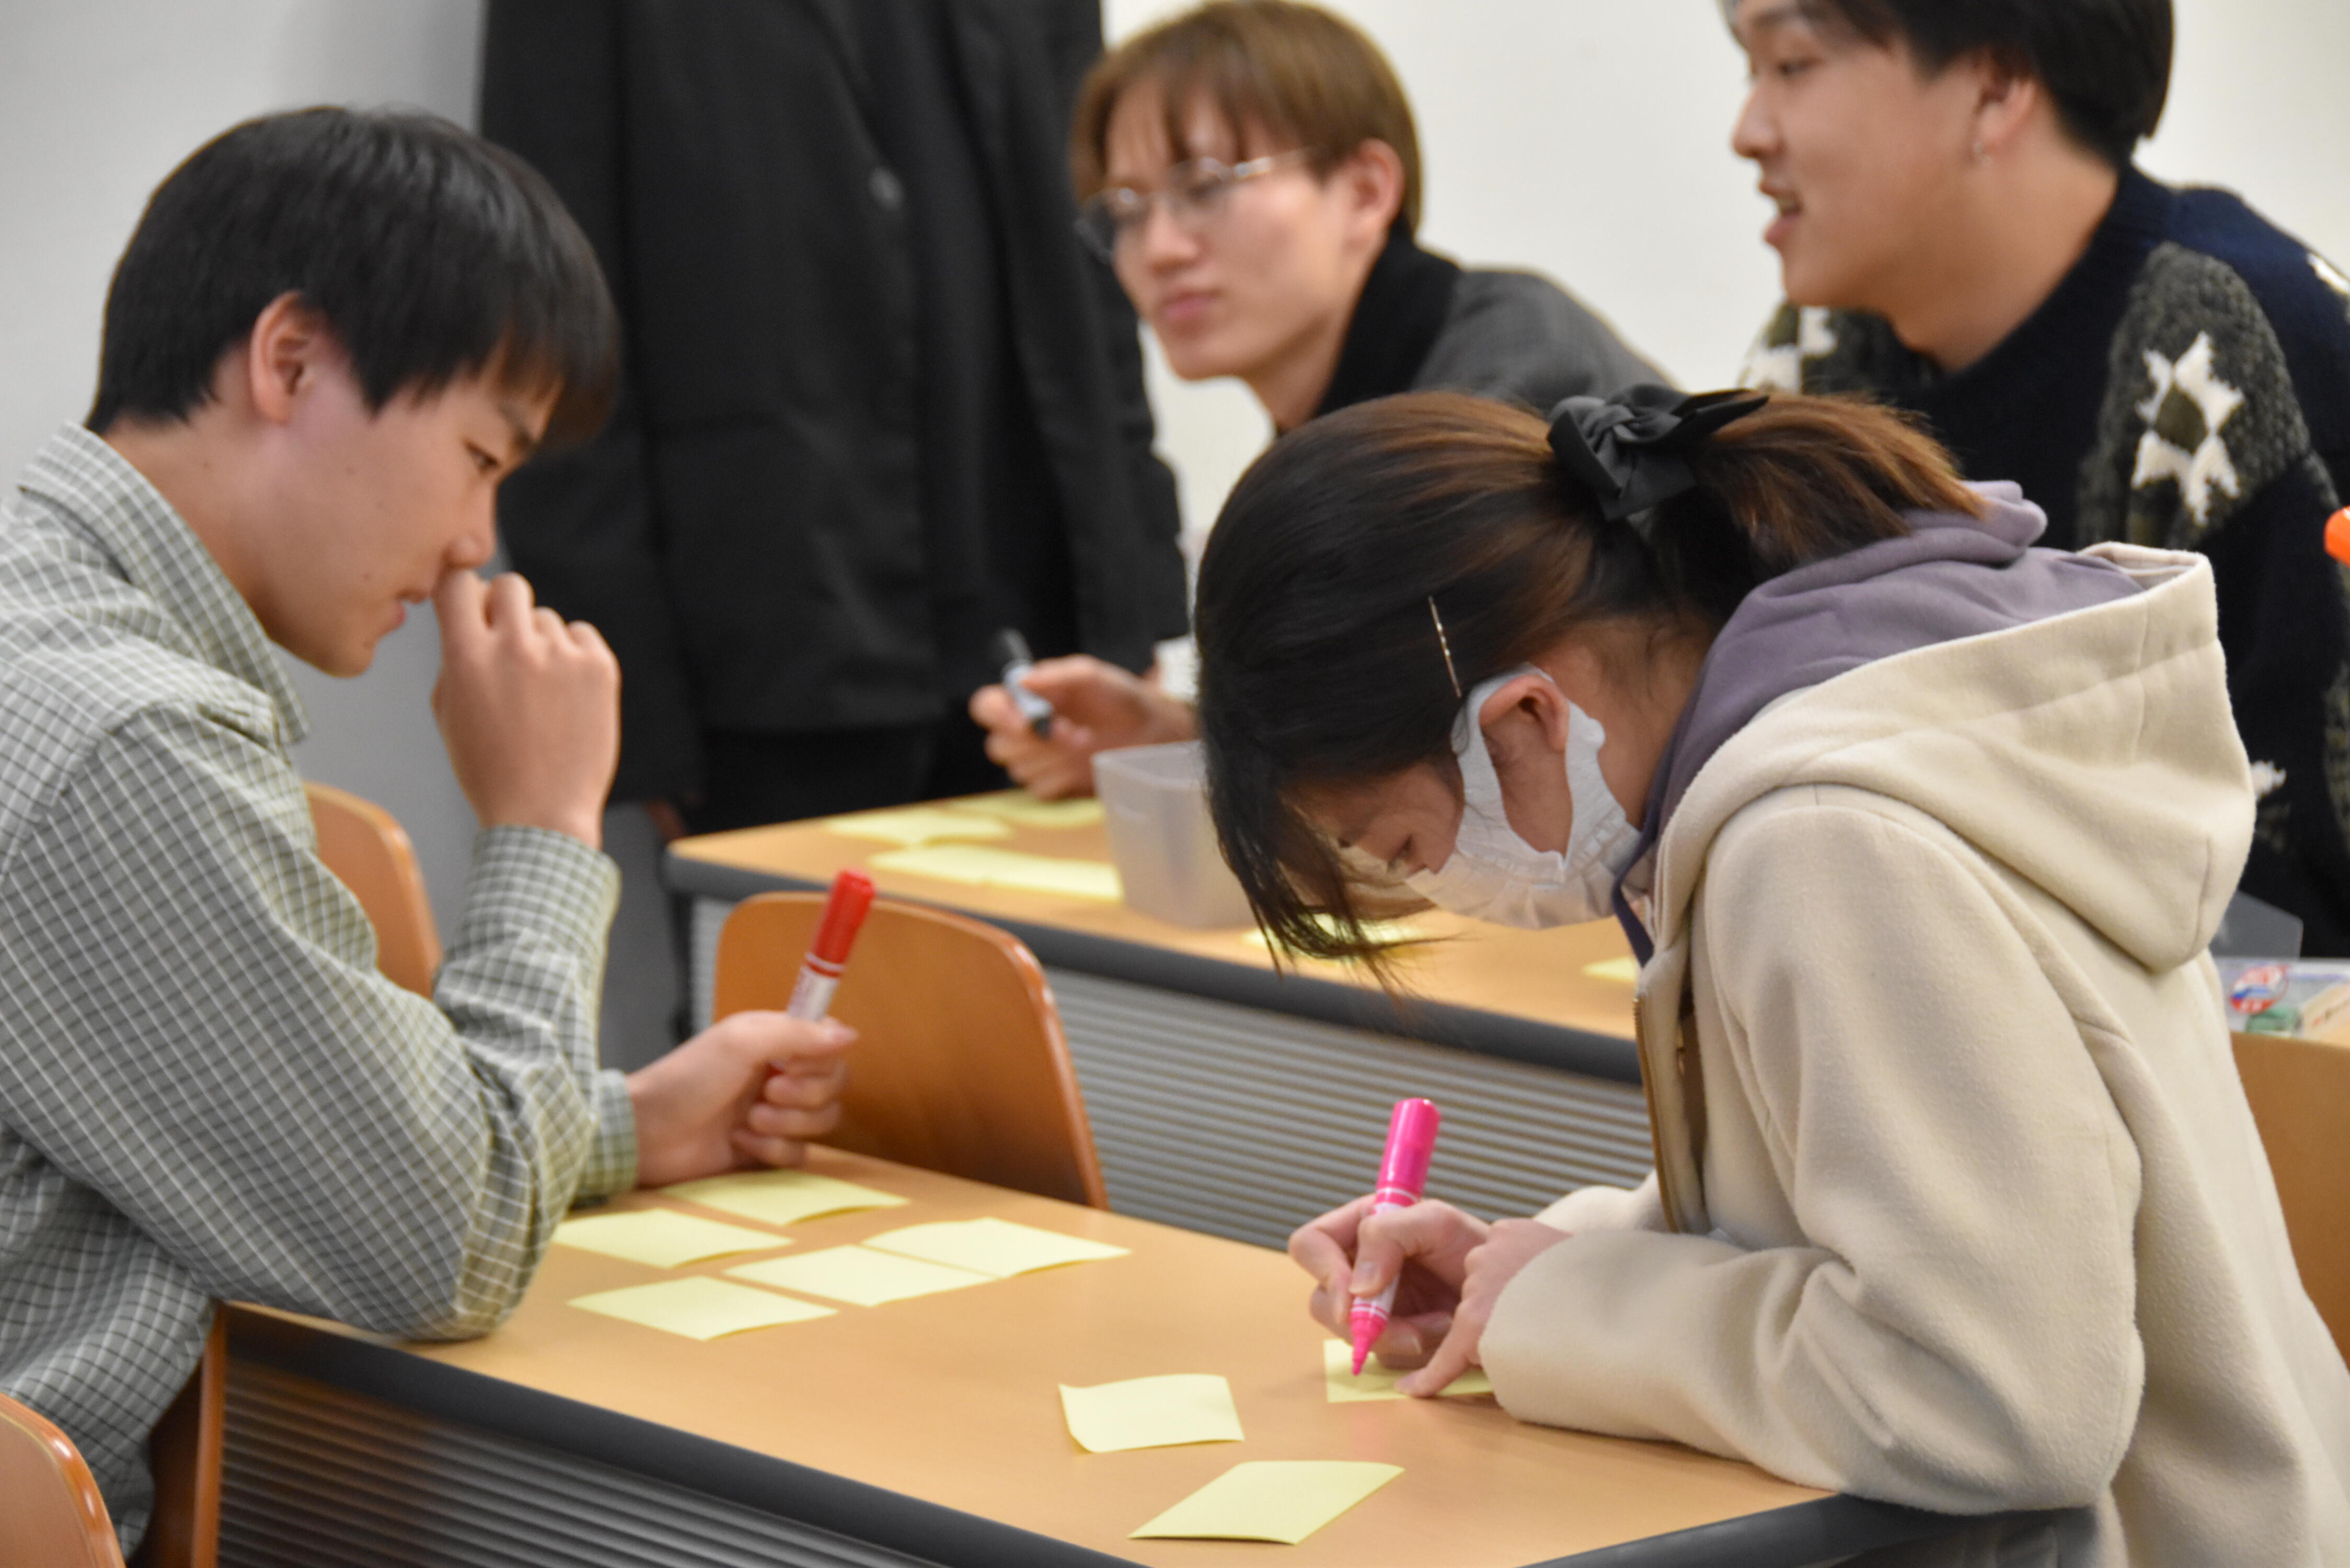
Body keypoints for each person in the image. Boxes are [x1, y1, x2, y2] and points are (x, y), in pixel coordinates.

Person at [1194, 385, 2350, 1562]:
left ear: (1524, 721)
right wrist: (1537, 1270)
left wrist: (1562, 1311)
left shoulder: (1818, 843)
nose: (1437, 883)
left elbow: (1989, 1402)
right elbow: (1871, 1199)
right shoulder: (1850, 742)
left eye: (1404, 848)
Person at [0, 109, 849, 1555]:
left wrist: (614, 1126)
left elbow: (208, 1128)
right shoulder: (122, 739)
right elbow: (435, 1248)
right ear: (291, 361)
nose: (474, 540)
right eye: (480, 456)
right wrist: (545, 823)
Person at [1727, 0, 2350, 954]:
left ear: (1997, 87)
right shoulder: (1815, 356)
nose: (1748, 131)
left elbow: (2307, 901)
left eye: (1792, 65)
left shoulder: (2237, 347)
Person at [480, 0, 1189, 836]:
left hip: (1050, 637)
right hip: (773, 656)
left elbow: (1096, 230)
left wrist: (1137, 595)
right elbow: (549, 305)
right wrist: (633, 709)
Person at [970, 0, 1664, 799]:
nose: (1158, 248)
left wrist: (1214, 741)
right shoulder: (1335, 430)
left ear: (1365, 191)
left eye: (1204, 186)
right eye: (1125, 209)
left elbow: (1440, 732)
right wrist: (1171, 737)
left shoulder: (1509, 380)